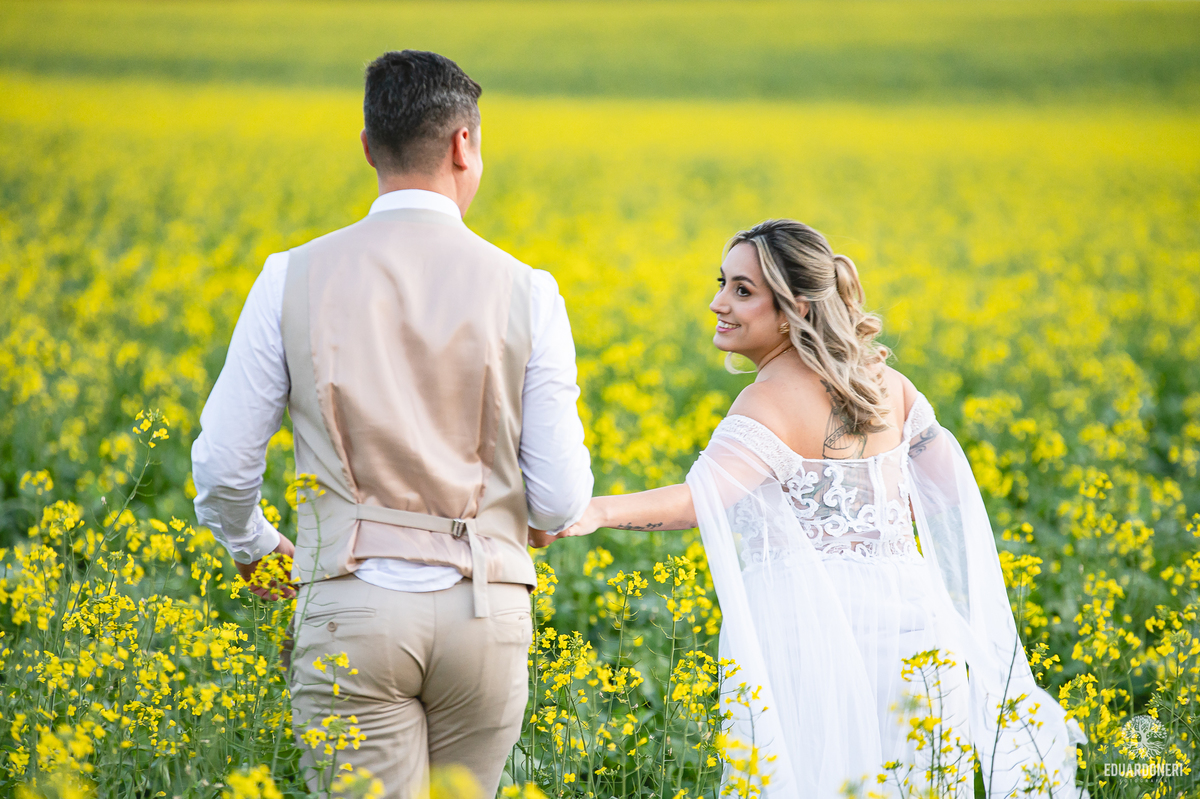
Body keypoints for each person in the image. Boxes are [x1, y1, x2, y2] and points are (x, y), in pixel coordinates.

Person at [556, 219, 1086, 798]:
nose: (717, 303)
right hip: (915, 626)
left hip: (807, 631)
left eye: (742, 290)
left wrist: (596, 512)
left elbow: (694, 502)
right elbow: (948, 487)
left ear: (794, 309)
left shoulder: (765, 399)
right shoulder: (888, 384)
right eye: (723, 283)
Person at [190, 50, 593, 798]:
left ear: (369, 146)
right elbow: (563, 497)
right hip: (487, 604)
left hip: (351, 602)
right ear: (463, 144)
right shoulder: (529, 290)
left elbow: (221, 463)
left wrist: (251, 544)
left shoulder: (292, 274)